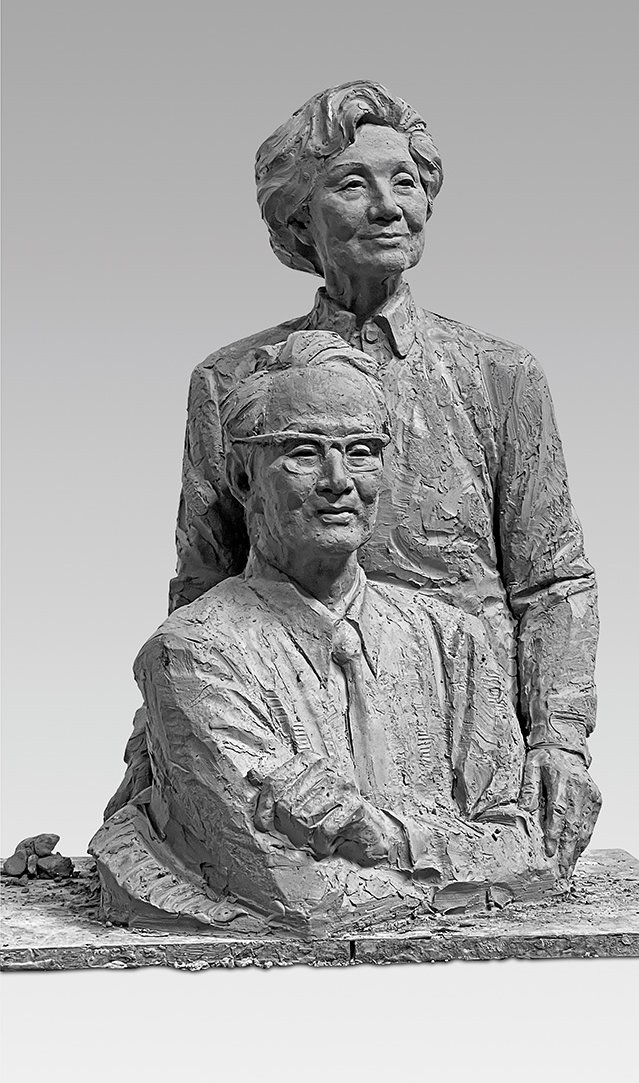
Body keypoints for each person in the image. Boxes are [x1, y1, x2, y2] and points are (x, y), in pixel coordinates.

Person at [169, 81, 602, 868]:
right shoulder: (230, 379)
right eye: (352, 184)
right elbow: (205, 580)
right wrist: (161, 753)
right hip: (295, 718)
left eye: (405, 181)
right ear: (298, 219)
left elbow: (554, 579)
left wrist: (559, 741)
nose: (387, 206)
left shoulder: (497, 375)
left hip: (465, 748)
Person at [90, 336, 567, 936]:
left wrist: (388, 839)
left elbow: (528, 845)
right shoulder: (192, 656)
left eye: (362, 451)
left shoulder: (453, 641)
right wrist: (461, 856)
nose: (339, 480)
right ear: (243, 477)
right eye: (304, 453)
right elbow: (296, 891)